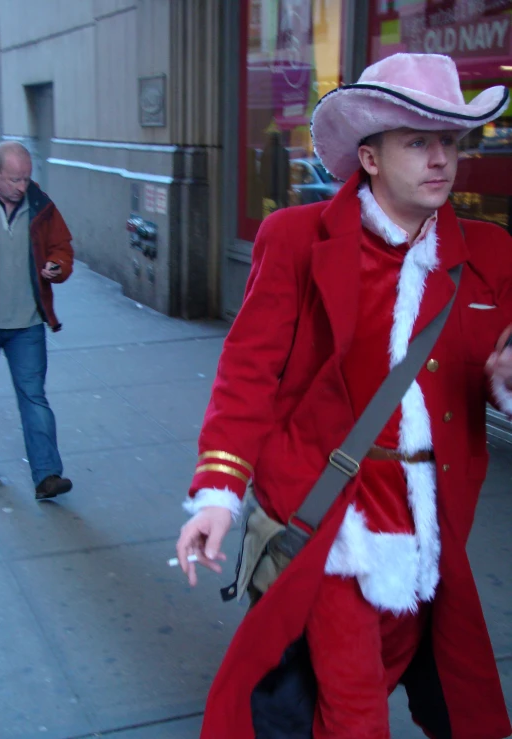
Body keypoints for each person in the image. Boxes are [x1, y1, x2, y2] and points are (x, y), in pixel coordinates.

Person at [175, 53, 512, 739]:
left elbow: (489, 371)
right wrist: (217, 492)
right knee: (353, 705)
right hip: (331, 513)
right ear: (371, 156)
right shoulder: (297, 238)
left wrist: (505, 383)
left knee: (406, 667)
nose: (441, 158)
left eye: (449, 141)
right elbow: (248, 372)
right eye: (418, 141)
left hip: (432, 516)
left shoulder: (492, 253)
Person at [0, 141, 74, 501]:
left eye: (26, 178)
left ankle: (47, 475)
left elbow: (62, 247)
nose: (22, 186)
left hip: (26, 324)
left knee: (34, 397)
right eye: (14, 179)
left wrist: (57, 268)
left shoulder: (41, 206)